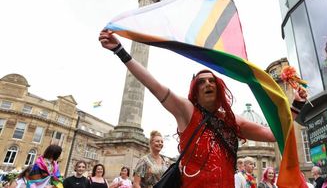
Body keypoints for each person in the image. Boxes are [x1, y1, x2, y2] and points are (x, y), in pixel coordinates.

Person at [98, 29, 307, 187]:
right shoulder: (186, 111)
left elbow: (273, 134)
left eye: (211, 81)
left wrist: (295, 105)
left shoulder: (233, 120)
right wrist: (119, 50)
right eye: (201, 82)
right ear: (194, 90)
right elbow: (153, 84)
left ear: (219, 87)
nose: (207, 84)